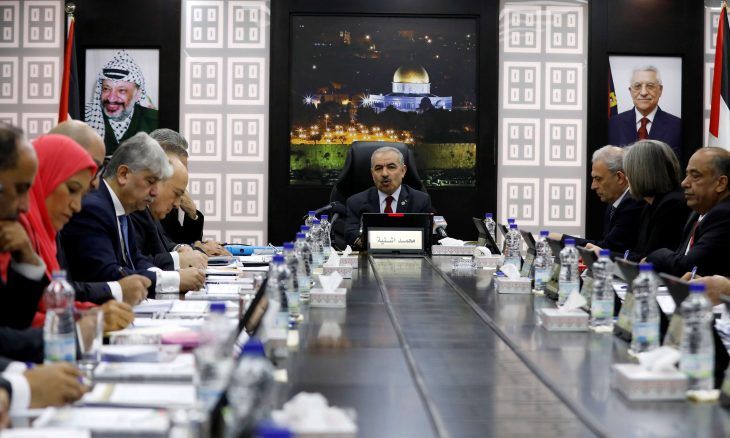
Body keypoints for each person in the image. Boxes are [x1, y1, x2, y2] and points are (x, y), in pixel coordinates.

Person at [15, 134, 136, 331]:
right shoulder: (15, 228)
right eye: (72, 189)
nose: (77, 206)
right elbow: (15, 321)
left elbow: (52, 304)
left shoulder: (48, 232)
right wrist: (89, 320)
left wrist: (91, 314)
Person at [60, 132, 205, 295]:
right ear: (123, 174)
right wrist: (174, 280)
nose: (155, 192)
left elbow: (136, 261)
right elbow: (107, 274)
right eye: (150, 181)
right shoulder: (94, 208)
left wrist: (171, 277)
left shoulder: (123, 209)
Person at [50, 121, 150, 305]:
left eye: (98, 169)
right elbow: (47, 297)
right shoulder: (92, 207)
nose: (96, 182)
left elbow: (62, 291)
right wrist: (118, 291)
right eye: (91, 168)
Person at [591, 140, 690, 261]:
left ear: (642, 173)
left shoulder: (671, 205)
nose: (627, 178)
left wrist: (604, 254)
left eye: (629, 171)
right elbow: (639, 254)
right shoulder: (650, 204)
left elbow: (649, 259)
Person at [646, 147, 730, 276]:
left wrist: (654, 255)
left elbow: (687, 266)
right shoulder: (696, 212)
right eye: (687, 175)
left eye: (695, 176)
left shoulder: (724, 214)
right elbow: (680, 259)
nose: (684, 183)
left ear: (721, 183)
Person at [150, 129, 230, 256]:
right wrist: (198, 249)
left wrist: (192, 214)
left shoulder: (168, 202)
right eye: (177, 166)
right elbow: (153, 255)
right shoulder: (137, 206)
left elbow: (177, 243)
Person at [550, 146, 644, 254]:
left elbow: (608, 249)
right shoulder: (613, 204)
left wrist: (563, 240)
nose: (593, 186)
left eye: (598, 179)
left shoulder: (632, 202)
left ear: (619, 177)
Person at [130, 153, 207, 270]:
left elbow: (165, 244)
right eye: (176, 193)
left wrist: (181, 249)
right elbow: (134, 264)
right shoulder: (135, 210)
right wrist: (178, 259)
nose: (177, 204)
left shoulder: (149, 210)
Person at [344, 146, 432, 246]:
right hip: (369, 254)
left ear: (403, 171)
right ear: (372, 174)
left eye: (391, 167)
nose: (384, 173)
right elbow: (350, 234)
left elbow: (425, 237)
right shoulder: (355, 202)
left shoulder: (420, 200)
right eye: (378, 168)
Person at [85, 50, 159, 155]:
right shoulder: (86, 118)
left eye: (122, 91)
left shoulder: (155, 121)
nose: (111, 98)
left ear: (138, 94)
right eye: (106, 89)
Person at [608, 65, 682, 158]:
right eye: (637, 86)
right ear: (630, 91)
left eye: (650, 86)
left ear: (660, 90)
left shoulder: (677, 126)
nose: (643, 93)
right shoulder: (613, 124)